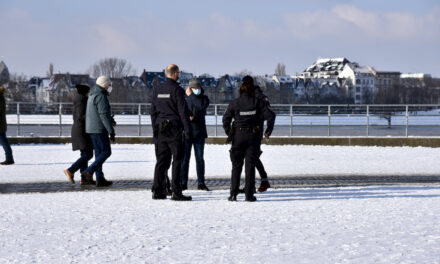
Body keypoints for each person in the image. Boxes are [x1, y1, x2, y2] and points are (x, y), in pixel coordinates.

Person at [222, 76, 275, 202]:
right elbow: (271, 116)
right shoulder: (258, 102)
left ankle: (233, 194)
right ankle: (249, 195)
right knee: (250, 166)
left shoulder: (235, 103)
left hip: (238, 137)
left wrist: (230, 133)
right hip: (253, 137)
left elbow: (225, 119)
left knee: (236, 166)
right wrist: (268, 131)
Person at [151, 64, 192, 201]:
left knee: (161, 162)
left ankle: (157, 191)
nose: (179, 74)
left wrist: (155, 130)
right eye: (178, 72)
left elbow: (153, 112)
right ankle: (176, 191)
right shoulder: (177, 90)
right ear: (175, 73)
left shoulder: (157, 89)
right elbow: (182, 112)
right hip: (174, 129)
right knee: (177, 161)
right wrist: (188, 130)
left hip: (161, 129)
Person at [82, 76, 115, 187]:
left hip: (91, 128)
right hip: (99, 129)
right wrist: (111, 131)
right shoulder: (101, 96)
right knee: (106, 152)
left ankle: (99, 178)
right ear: (104, 85)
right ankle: (89, 171)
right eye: (109, 85)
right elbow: (103, 115)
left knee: (98, 154)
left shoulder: (92, 94)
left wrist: (110, 120)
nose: (110, 87)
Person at [181, 78, 210, 191]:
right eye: (194, 88)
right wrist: (187, 117)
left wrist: (190, 96)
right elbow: (181, 111)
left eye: (198, 88)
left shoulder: (204, 99)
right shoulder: (185, 99)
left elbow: (200, 107)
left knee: (199, 158)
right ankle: (183, 182)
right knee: (185, 159)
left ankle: (201, 183)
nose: (196, 90)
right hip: (187, 132)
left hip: (199, 133)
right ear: (190, 88)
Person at [64, 84, 95, 184]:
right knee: (89, 154)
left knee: (84, 154)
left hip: (79, 130)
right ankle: (71, 170)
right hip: (81, 130)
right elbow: (80, 117)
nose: (89, 93)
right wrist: (91, 113)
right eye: (88, 91)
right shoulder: (82, 101)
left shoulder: (79, 100)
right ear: (85, 92)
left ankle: (84, 178)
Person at [0, 85, 14, 165]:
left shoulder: (0, 97)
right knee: (4, 142)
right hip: (1, 124)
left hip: (0, 125)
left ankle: (9, 159)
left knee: (4, 142)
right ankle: (9, 159)